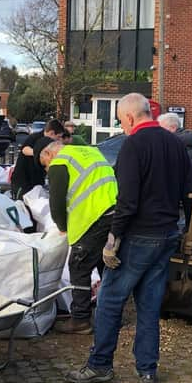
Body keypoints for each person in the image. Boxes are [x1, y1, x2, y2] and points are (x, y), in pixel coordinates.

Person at [65, 93, 192, 383]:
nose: (121, 126)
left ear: (129, 117)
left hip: (138, 235)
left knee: (111, 301)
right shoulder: (176, 144)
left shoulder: (133, 145)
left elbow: (127, 201)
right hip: (167, 234)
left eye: (121, 121)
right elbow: (191, 192)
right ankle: (147, 369)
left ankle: (100, 365)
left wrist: (113, 239)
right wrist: (189, 232)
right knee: (149, 306)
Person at [33, 138, 118, 334]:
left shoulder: (60, 162)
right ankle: (110, 316)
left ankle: (80, 319)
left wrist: (62, 227)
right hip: (114, 213)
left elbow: (56, 203)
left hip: (92, 219)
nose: (47, 170)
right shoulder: (90, 152)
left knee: (79, 267)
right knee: (106, 266)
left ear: (49, 154)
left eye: (45, 165)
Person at [11, 119, 64, 198]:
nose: (59, 140)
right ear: (51, 133)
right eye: (58, 137)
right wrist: (39, 153)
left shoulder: (50, 142)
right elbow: (25, 149)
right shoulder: (35, 137)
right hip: (23, 182)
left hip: (37, 181)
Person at [158, 113, 192, 184]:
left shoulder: (173, 143)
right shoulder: (184, 141)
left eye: (162, 128)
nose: (160, 132)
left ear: (173, 127)